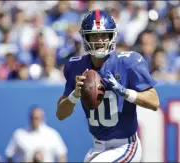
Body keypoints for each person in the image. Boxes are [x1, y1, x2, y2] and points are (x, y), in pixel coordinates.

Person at [56, 10, 160, 162]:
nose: (99, 40)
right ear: (86, 37)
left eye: (104, 35)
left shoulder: (128, 62)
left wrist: (125, 92)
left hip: (125, 146)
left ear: (112, 36)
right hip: (98, 147)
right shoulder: (76, 66)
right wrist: (75, 95)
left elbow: (154, 101)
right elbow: (61, 114)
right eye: (94, 35)